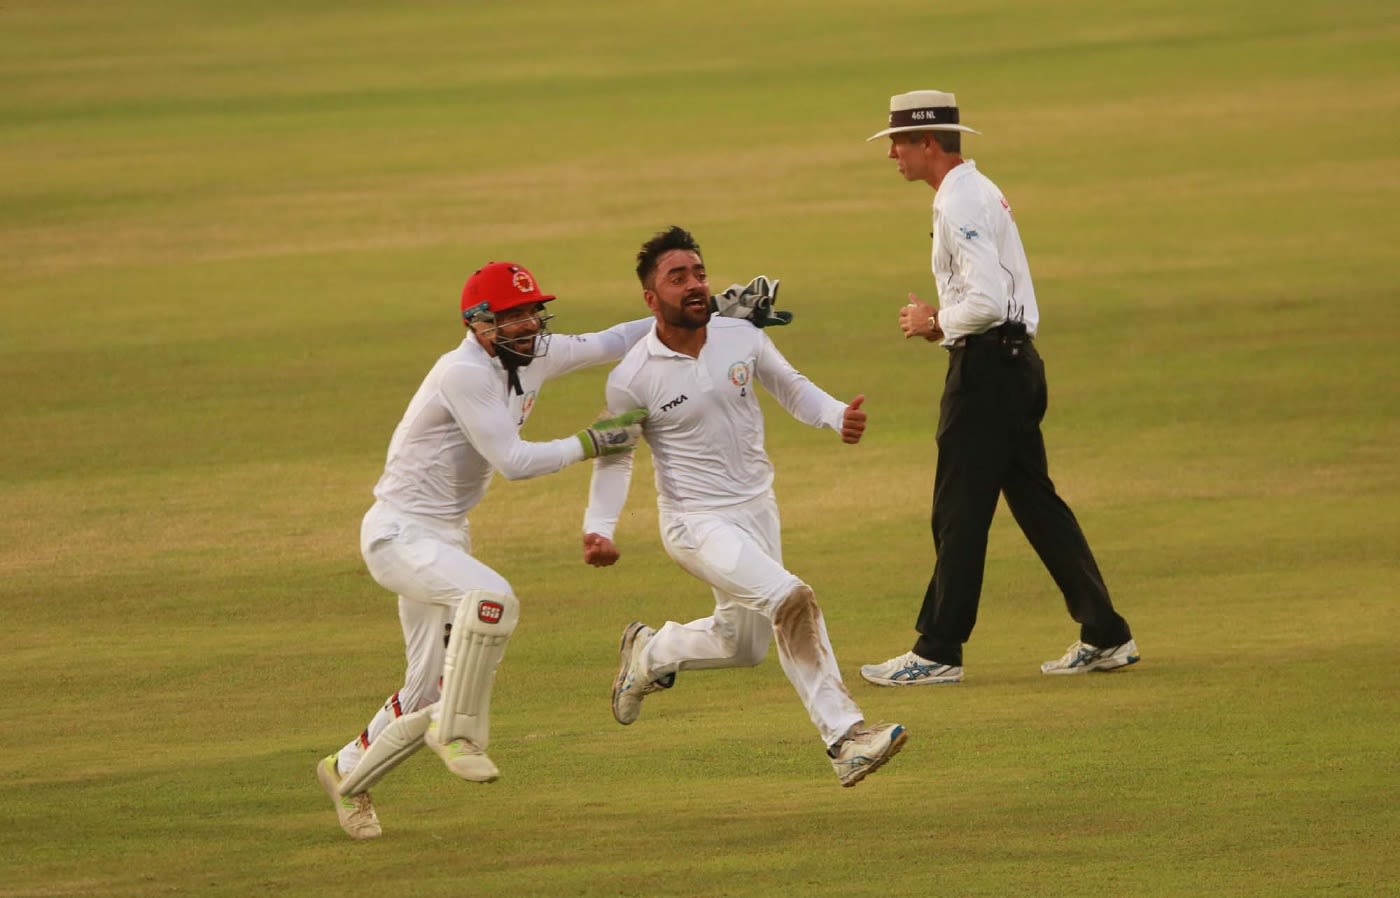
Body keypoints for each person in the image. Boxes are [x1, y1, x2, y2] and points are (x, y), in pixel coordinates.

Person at [316, 260, 780, 840]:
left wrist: (709, 312)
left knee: (424, 691)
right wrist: (590, 442)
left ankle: (346, 772)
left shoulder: (537, 351)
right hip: (398, 534)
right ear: (479, 325)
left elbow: (616, 338)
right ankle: (459, 732)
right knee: (491, 599)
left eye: (532, 311)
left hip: (446, 534)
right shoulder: (461, 373)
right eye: (512, 316)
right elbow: (512, 462)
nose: (529, 324)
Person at [582, 226, 907, 788]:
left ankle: (651, 655)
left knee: (743, 644)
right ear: (650, 298)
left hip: (758, 509)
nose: (694, 285)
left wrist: (837, 416)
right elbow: (614, 457)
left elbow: (792, 387)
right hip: (695, 522)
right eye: (677, 277)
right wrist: (599, 528)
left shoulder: (739, 336)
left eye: (699, 273)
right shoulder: (631, 377)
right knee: (792, 598)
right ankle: (846, 738)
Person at [858, 90, 1140, 688]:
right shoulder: (975, 190)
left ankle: (937, 650)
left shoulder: (960, 200)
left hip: (987, 371)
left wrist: (935, 323)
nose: (893, 156)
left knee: (959, 510)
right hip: (1012, 367)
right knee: (1038, 506)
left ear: (927, 142)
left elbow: (985, 301)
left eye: (898, 143)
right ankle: (1106, 633)